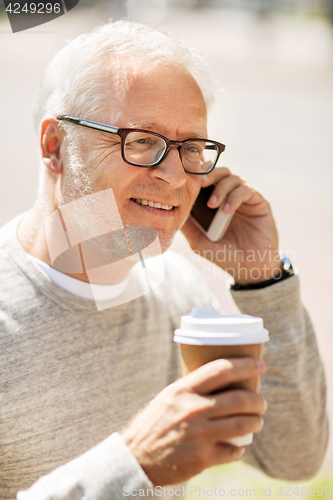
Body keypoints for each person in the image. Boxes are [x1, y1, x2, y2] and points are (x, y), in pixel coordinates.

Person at [0, 20, 328, 500]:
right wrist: (134, 462)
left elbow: (293, 457)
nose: (176, 177)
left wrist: (262, 279)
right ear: (56, 147)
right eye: (142, 141)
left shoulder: (176, 291)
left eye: (191, 147)